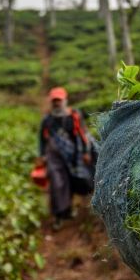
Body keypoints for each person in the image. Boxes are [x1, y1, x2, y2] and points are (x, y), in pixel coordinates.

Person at [37, 87, 94, 229]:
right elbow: (41, 139)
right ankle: (58, 215)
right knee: (57, 184)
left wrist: (86, 152)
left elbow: (83, 134)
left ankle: (68, 210)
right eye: (54, 101)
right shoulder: (47, 119)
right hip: (54, 158)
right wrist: (42, 155)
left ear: (65, 101)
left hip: (73, 155)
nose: (56, 103)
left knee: (70, 182)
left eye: (59, 100)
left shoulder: (74, 116)